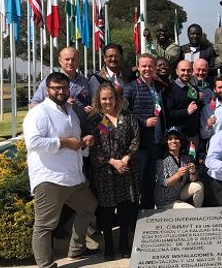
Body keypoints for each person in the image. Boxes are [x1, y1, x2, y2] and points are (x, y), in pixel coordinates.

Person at [23, 72, 98, 267]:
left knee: (89, 206)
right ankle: (45, 265)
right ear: (47, 90)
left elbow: (74, 143)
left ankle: (76, 248)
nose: (61, 91)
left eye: (64, 87)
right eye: (56, 88)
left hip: (73, 177)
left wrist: (83, 143)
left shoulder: (70, 112)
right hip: (50, 178)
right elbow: (33, 142)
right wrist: (64, 143)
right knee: (44, 225)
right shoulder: (38, 113)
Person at [85, 83, 139, 260]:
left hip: (125, 169)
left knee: (125, 208)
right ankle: (108, 243)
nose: (108, 101)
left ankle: (124, 241)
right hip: (105, 172)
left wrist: (125, 159)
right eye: (104, 99)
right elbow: (95, 147)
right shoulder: (96, 120)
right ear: (98, 100)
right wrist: (112, 161)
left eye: (111, 98)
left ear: (117, 98)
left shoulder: (127, 116)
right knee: (106, 210)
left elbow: (135, 139)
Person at [122, 53, 168, 209]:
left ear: (155, 68)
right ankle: (134, 217)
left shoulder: (159, 87)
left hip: (156, 142)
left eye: (150, 66)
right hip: (140, 144)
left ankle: (147, 212)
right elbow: (124, 116)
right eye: (144, 66)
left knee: (150, 181)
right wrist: (143, 122)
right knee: (137, 181)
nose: (147, 69)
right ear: (138, 68)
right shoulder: (130, 88)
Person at [31, 47, 91, 125]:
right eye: (67, 59)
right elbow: (33, 106)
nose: (70, 62)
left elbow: (90, 103)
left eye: (74, 59)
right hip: (59, 130)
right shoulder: (49, 81)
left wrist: (90, 110)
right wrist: (60, 104)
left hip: (82, 130)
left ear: (78, 62)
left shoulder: (85, 82)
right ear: (60, 61)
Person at [155, 127, 204, 209]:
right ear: (166, 143)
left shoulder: (186, 158)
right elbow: (164, 183)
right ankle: (195, 213)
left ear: (181, 142)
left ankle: (197, 212)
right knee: (191, 210)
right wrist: (178, 174)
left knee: (199, 185)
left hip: (178, 194)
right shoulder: (161, 161)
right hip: (165, 200)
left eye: (176, 138)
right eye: (170, 139)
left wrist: (193, 172)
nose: (173, 141)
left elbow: (193, 179)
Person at [167, 60, 202, 153]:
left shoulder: (194, 88)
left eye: (189, 70)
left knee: (192, 164)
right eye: (183, 70)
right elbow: (169, 113)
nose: (186, 73)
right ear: (176, 71)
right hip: (178, 138)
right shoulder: (171, 89)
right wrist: (186, 111)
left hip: (193, 137)